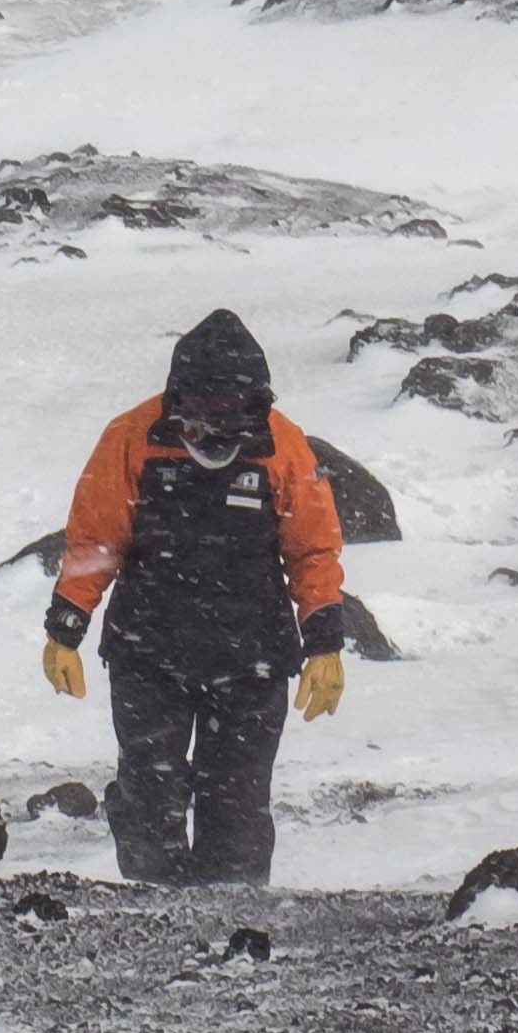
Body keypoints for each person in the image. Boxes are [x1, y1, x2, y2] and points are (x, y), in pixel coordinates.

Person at [39, 311, 351, 885]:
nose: (216, 426)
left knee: (237, 801)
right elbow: (95, 541)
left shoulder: (284, 445)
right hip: (147, 655)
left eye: (232, 412)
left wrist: (325, 644)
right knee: (149, 793)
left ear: (256, 404)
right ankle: (154, 917)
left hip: (252, 660)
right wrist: (65, 627)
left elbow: (313, 551)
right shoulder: (130, 437)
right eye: (204, 411)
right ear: (176, 399)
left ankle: (231, 923)